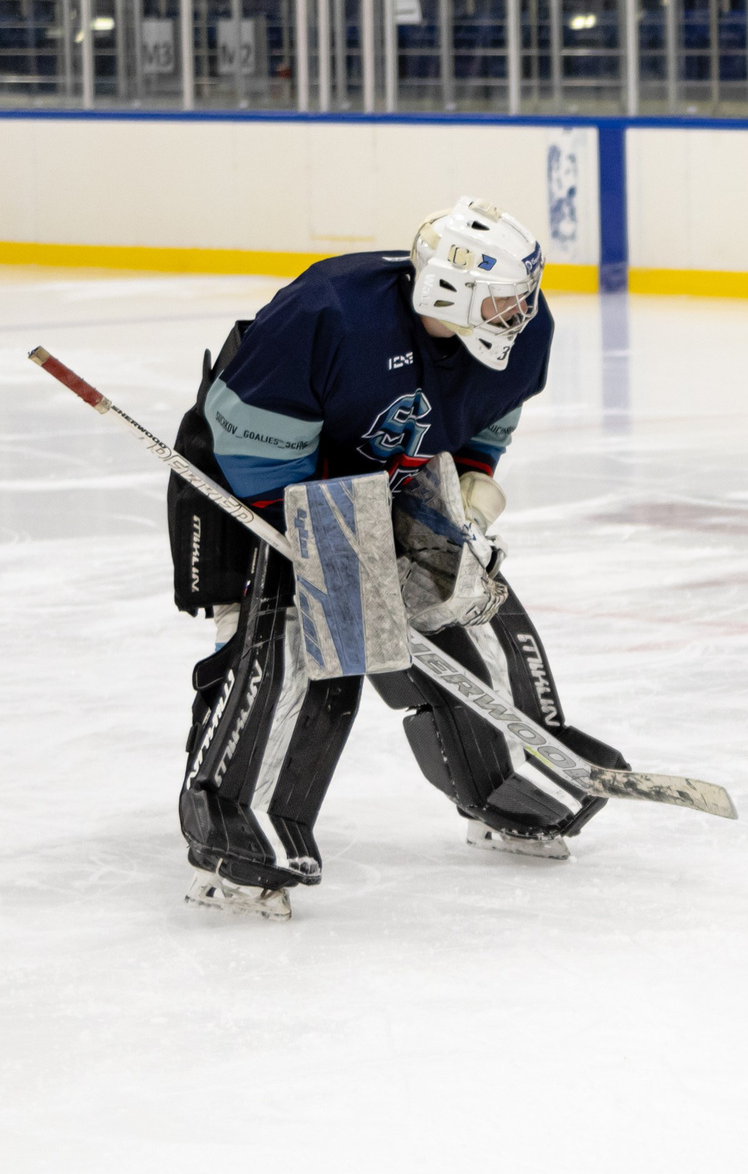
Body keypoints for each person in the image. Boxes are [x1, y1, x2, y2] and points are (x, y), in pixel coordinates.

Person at [170, 197, 627, 919]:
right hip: (255, 481)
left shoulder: (524, 330)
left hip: (390, 476)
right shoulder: (330, 313)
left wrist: (470, 478)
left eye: (523, 294)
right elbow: (252, 450)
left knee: (464, 601)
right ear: (449, 292)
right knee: (300, 641)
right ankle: (239, 839)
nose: (522, 311)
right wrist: (339, 562)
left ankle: (514, 786)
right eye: (502, 299)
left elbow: (491, 411)